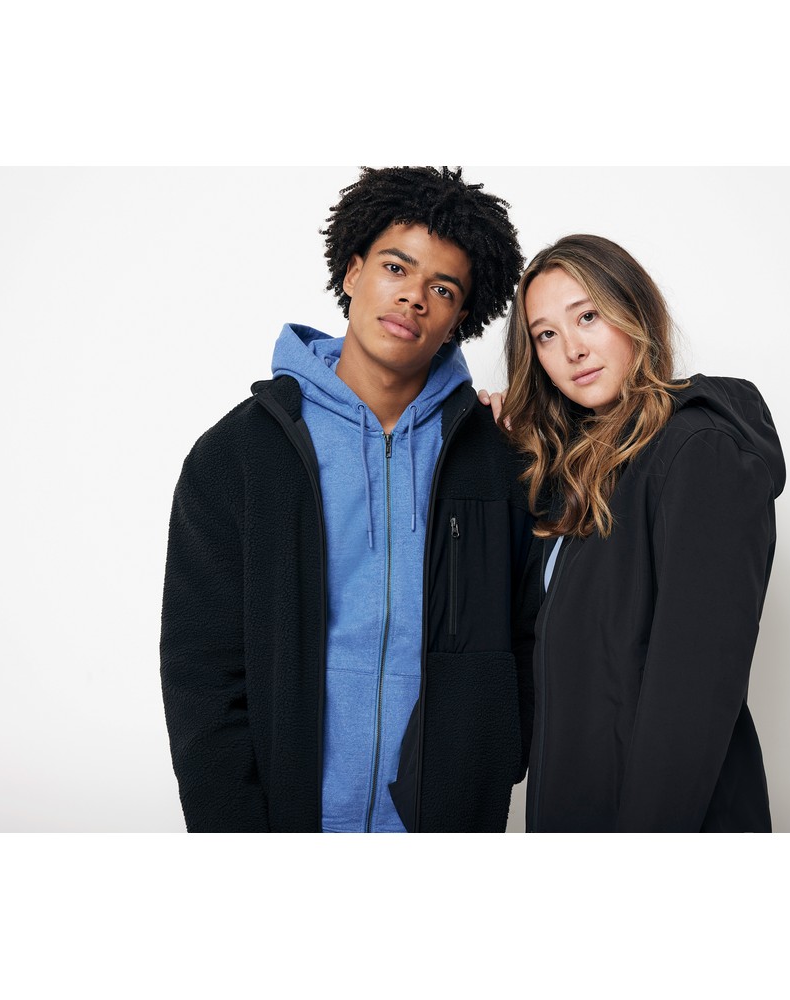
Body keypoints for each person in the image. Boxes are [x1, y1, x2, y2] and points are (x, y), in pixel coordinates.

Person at [160, 167, 536, 832]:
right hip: (283, 824)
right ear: (354, 271)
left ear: (459, 318)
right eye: (396, 267)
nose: (413, 297)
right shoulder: (238, 455)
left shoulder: (496, 459)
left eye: (442, 288)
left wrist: (489, 763)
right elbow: (200, 668)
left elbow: (530, 633)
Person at [487, 233, 785, 832]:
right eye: (546, 335)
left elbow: (695, 692)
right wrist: (502, 456)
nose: (572, 350)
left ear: (636, 312)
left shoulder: (699, 452)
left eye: (587, 317)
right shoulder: (584, 475)